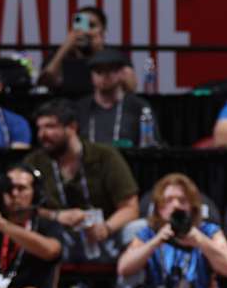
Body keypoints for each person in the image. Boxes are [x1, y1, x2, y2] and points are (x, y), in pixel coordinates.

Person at [113, 174, 227, 288]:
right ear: (158, 207)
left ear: (192, 206)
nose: (176, 205)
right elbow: (124, 268)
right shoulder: (148, 233)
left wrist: (201, 241)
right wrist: (155, 242)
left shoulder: (208, 231)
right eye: (168, 200)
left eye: (182, 200)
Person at [21, 100, 140, 262]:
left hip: (105, 234)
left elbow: (130, 207)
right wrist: (56, 216)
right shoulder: (34, 162)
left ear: (71, 127)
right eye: (39, 128)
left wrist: (106, 228)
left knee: (137, 229)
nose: (42, 134)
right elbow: (21, 208)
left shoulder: (104, 156)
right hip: (57, 237)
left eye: (50, 126)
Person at [41, 5, 131, 96]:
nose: (85, 32)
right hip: (66, 107)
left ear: (103, 31)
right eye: (80, 26)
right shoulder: (59, 54)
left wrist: (99, 52)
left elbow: (131, 87)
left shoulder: (115, 56)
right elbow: (45, 83)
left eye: (91, 26)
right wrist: (65, 47)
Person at [75, 49, 154, 147]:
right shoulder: (81, 108)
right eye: (99, 71)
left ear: (121, 73)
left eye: (109, 70)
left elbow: (151, 144)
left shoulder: (138, 107)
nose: (104, 76)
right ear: (92, 75)